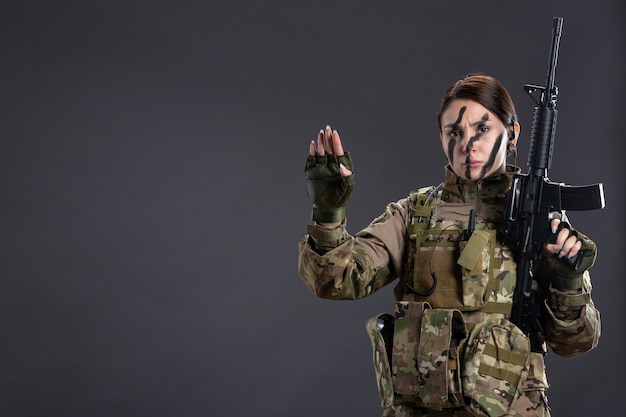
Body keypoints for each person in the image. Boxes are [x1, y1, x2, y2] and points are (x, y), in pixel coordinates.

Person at [297, 74, 600, 417]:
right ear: (441, 137)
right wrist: (327, 212)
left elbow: (575, 342)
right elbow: (334, 280)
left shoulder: (544, 222)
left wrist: (568, 281)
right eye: (455, 132)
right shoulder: (414, 214)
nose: (468, 143)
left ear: (512, 134)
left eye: (481, 129)